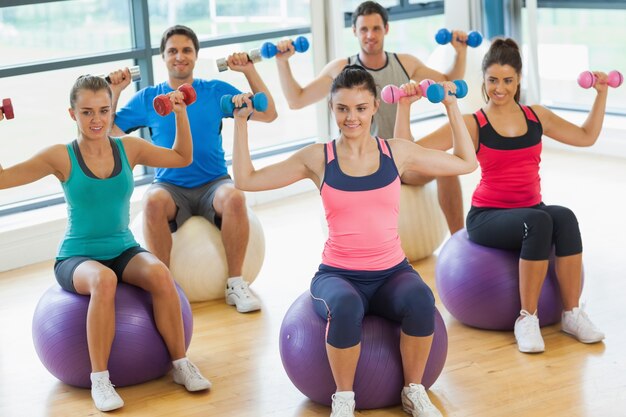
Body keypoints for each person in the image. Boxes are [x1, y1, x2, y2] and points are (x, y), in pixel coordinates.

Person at [231, 65, 476, 416]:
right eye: (343, 109)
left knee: (422, 299)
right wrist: (241, 123)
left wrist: (451, 106)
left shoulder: (397, 152)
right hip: (338, 275)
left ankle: (413, 390)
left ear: (375, 106)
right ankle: (343, 399)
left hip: (392, 272)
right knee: (345, 307)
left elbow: (466, 162)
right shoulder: (318, 157)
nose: (352, 118)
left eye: (360, 108)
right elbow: (247, 179)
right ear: (332, 109)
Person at [0, 75, 211, 412]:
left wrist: (180, 112)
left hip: (123, 248)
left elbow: (182, 157)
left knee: (159, 273)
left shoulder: (128, 148)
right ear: (72, 114)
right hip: (77, 257)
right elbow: (3, 179)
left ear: (112, 110)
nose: (96, 119)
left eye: (103, 110)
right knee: (104, 280)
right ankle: (100, 378)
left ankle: (180, 363)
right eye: (86, 112)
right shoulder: (61, 156)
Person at [395, 38, 606, 353]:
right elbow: (408, 151)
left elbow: (586, 137)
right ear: (484, 79)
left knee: (564, 217)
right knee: (537, 222)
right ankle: (527, 318)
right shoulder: (474, 123)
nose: (500, 88)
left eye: (508, 80)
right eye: (493, 80)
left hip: (530, 208)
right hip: (487, 216)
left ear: (519, 79)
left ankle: (572, 312)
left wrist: (601, 94)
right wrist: (404, 107)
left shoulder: (537, 117)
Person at [110, 25, 278, 313]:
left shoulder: (214, 91)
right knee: (151, 201)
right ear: (162, 57)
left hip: (213, 182)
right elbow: (110, 134)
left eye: (186, 50)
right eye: (172, 51)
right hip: (169, 185)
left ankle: (236, 284)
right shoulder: (150, 98)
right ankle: (165, 289)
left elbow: (269, 113)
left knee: (235, 197)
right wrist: (114, 91)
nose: (179, 56)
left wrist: (248, 71)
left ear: (196, 56)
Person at [273, 1, 470, 233]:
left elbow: (449, 83)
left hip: (402, 157)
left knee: (446, 169)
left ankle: (458, 241)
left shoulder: (405, 63)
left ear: (386, 29)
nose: (370, 35)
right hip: (363, 161)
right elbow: (297, 100)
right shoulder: (341, 70)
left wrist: (461, 52)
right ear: (354, 31)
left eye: (376, 28)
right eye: (364, 29)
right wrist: (282, 62)